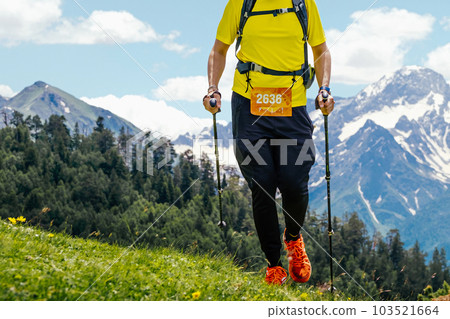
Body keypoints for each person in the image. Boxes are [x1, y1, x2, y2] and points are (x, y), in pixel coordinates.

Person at [203, 0, 335, 285]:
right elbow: (219, 49)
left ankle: (293, 238)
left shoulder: (303, 4)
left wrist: (324, 88)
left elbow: (321, 50)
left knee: (294, 182)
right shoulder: (241, 4)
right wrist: (213, 89)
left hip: (292, 104)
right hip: (250, 105)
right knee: (261, 184)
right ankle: (273, 265)